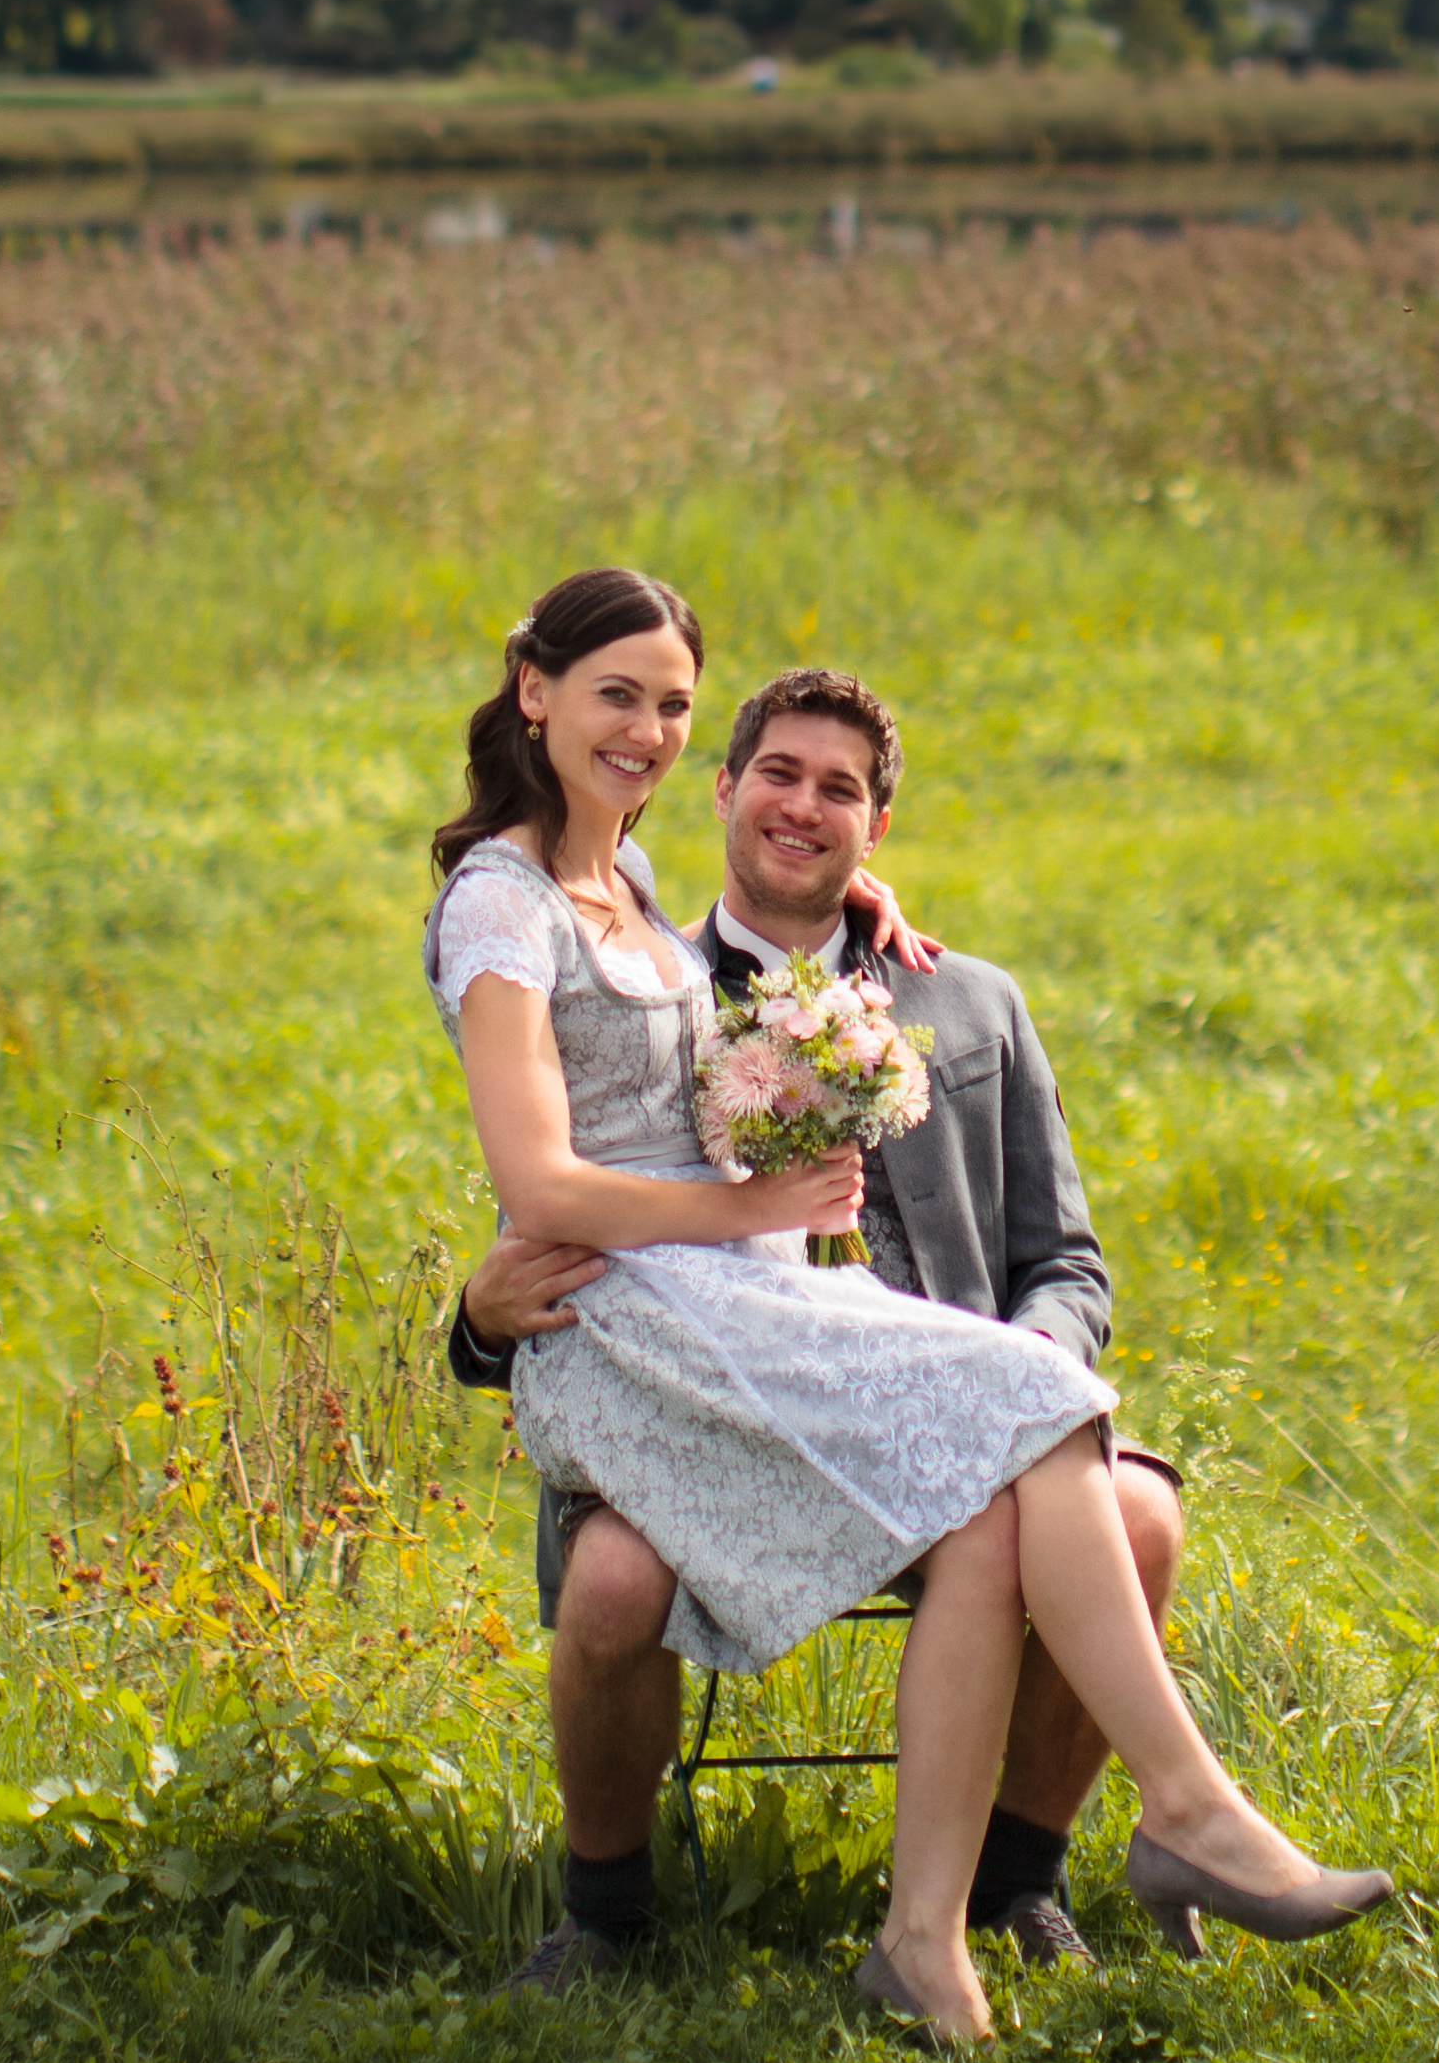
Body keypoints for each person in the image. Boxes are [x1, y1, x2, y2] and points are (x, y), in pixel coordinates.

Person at [416, 567, 1391, 2045]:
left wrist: (849, 927)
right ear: (537, 690)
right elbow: (550, 1174)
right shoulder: (552, 913)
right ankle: (1181, 1808)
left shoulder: (798, 947)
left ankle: (948, 1926)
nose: (651, 731)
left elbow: (1066, 1258)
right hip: (673, 1333)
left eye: (670, 704)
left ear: (878, 825)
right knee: (1023, 1434)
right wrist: (502, 1302)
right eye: (624, 696)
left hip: (773, 1330)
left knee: (1046, 1443)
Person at [452, 659, 1182, 1987]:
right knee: (614, 1581)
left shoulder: (969, 999)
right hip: (722, 1414)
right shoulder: (650, 998)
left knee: (1140, 1518)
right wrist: (478, 1323)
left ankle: (1014, 1885)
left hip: (965, 1425)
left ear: (876, 831)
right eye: (776, 775)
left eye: (839, 790)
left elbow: (1065, 1261)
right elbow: (549, 1201)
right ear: (721, 791)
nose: (802, 807)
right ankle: (606, 1916)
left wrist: (1027, 1380)